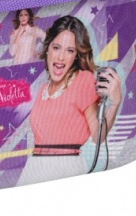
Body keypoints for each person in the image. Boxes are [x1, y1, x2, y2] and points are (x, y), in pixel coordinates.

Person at [17, 15, 122, 185]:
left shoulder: (83, 80)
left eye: (70, 50)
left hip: (66, 167)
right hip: (34, 167)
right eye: (56, 48)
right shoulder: (43, 89)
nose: (60, 57)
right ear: (48, 48)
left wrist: (115, 103)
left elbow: (98, 136)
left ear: (76, 55)